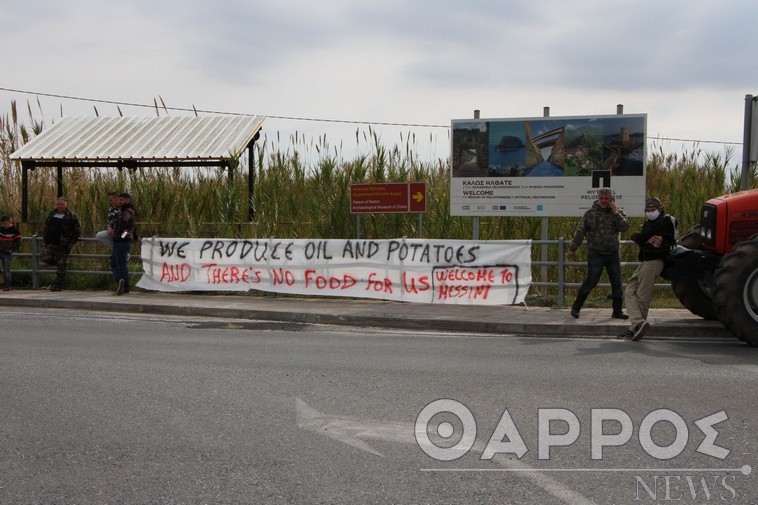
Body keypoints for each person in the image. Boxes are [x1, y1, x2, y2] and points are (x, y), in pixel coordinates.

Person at [567, 188, 630, 319]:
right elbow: (580, 232)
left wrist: (616, 213)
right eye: (602, 198)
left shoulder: (618, 212)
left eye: (607, 199)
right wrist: (572, 248)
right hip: (596, 253)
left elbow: (625, 227)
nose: (604, 201)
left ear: (611, 199)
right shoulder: (590, 213)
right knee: (591, 281)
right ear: (598, 198)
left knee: (616, 283)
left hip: (612, 254)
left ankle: (617, 311)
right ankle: (576, 307)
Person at [621, 197, 677, 341]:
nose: (651, 212)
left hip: (654, 261)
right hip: (645, 260)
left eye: (653, 210)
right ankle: (638, 323)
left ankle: (637, 326)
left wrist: (645, 238)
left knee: (642, 294)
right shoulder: (650, 223)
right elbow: (637, 236)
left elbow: (663, 238)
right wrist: (645, 238)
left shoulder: (664, 221)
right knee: (629, 290)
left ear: (660, 208)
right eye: (648, 210)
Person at [42, 197, 81, 291]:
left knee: (61, 266)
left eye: (62, 204)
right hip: (51, 243)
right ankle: (61, 265)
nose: (59, 206)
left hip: (63, 245)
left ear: (66, 205)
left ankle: (58, 285)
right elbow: (46, 225)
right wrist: (45, 239)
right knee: (45, 259)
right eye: (58, 204)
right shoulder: (52, 213)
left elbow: (77, 231)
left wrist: (72, 242)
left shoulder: (71, 216)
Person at [110, 193, 137, 295]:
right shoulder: (131, 211)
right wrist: (134, 236)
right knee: (116, 263)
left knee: (119, 264)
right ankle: (122, 283)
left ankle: (123, 284)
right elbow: (133, 227)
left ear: (127, 200)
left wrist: (118, 233)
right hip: (124, 240)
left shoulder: (126, 212)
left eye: (122, 200)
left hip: (122, 241)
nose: (120, 202)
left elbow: (124, 223)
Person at [0, 214, 22, 291]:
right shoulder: (1, 230)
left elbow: (18, 242)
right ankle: (1, 278)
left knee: (6, 268)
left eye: (5, 224)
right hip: (0, 250)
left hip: (7, 252)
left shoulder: (16, 231)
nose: (4, 225)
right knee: (5, 268)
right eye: (3, 224)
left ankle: (7, 284)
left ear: (10, 222)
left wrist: (12, 250)